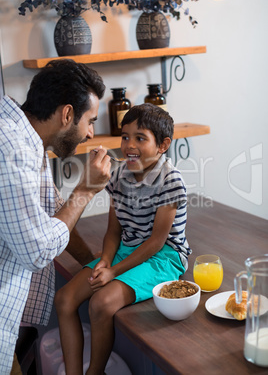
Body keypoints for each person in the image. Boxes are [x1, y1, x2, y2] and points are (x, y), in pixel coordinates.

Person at [55, 103, 191, 375]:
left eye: (140, 138)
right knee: (64, 300)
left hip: (163, 257)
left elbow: (156, 242)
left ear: (163, 144)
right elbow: (114, 231)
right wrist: (104, 261)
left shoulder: (171, 180)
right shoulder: (118, 175)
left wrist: (114, 271)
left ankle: (95, 372)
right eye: (125, 136)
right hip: (126, 249)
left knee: (101, 303)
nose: (129, 145)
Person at [0, 59, 111, 374]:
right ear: (67, 114)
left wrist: (92, 263)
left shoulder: (26, 141)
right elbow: (37, 249)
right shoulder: (11, 149)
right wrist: (86, 191)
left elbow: (53, 210)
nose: (90, 133)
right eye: (90, 120)